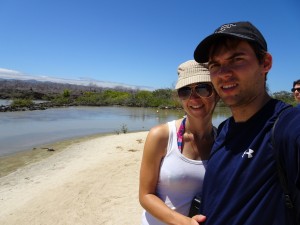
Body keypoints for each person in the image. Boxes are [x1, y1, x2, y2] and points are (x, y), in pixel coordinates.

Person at [192, 21, 300, 224]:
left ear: (265, 63)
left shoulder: (288, 127)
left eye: (237, 59)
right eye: (215, 65)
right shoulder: (224, 129)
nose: (223, 73)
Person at [139, 60, 219, 225]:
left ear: (217, 93)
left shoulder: (221, 140)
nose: (194, 98)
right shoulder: (161, 136)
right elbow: (145, 195)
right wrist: (185, 222)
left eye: (203, 88)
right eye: (185, 91)